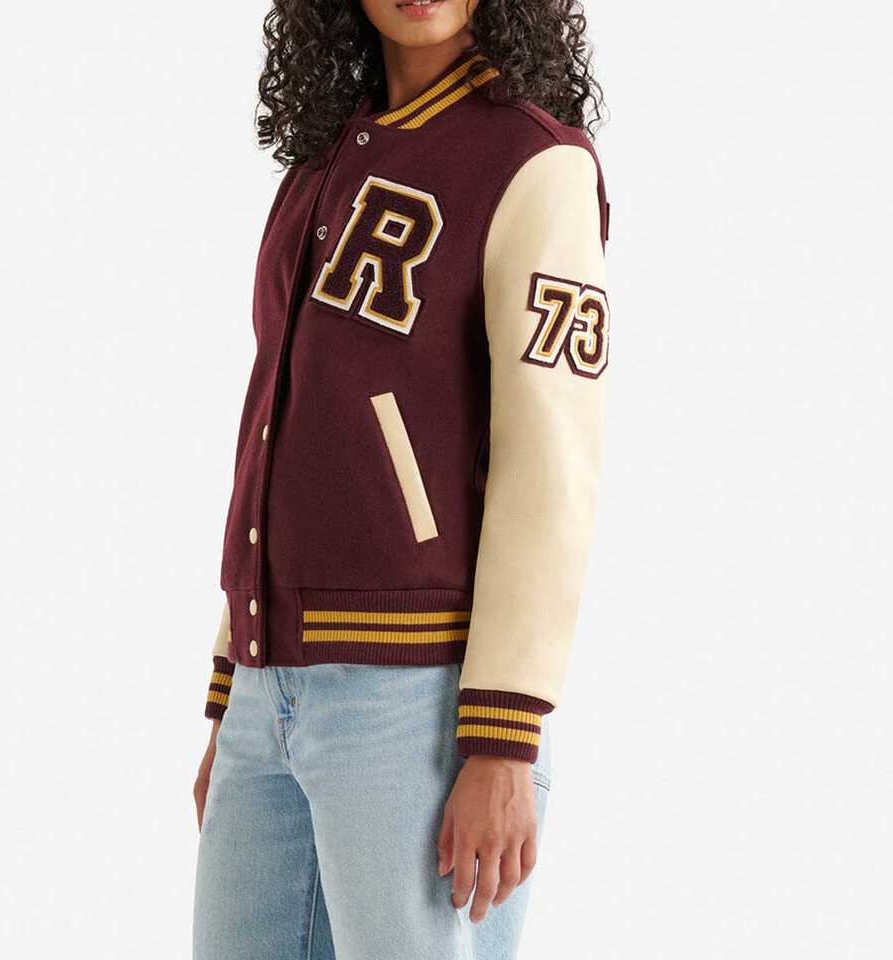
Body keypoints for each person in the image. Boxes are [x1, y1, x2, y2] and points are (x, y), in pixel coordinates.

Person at [192, 1, 608, 957]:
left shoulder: (536, 163)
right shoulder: (321, 162)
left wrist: (503, 734)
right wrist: (231, 689)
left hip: (417, 701)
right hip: (266, 685)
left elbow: (552, 461)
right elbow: (274, 428)